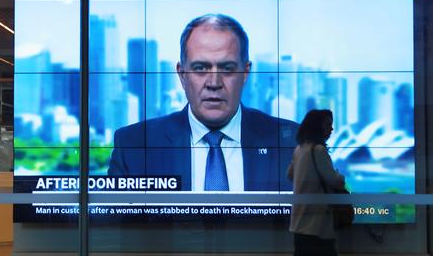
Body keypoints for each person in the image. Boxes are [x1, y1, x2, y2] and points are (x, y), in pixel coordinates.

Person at [108, 14, 298, 191]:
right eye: (200, 68)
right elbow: (116, 227)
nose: (214, 83)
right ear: (182, 75)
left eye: (227, 69)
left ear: (245, 72)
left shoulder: (294, 144)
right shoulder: (134, 146)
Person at [287, 109, 346, 256]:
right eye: (327, 124)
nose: (331, 128)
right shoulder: (318, 150)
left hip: (299, 223)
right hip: (316, 225)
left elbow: (290, 175)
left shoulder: (299, 149)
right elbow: (335, 181)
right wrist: (340, 176)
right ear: (317, 126)